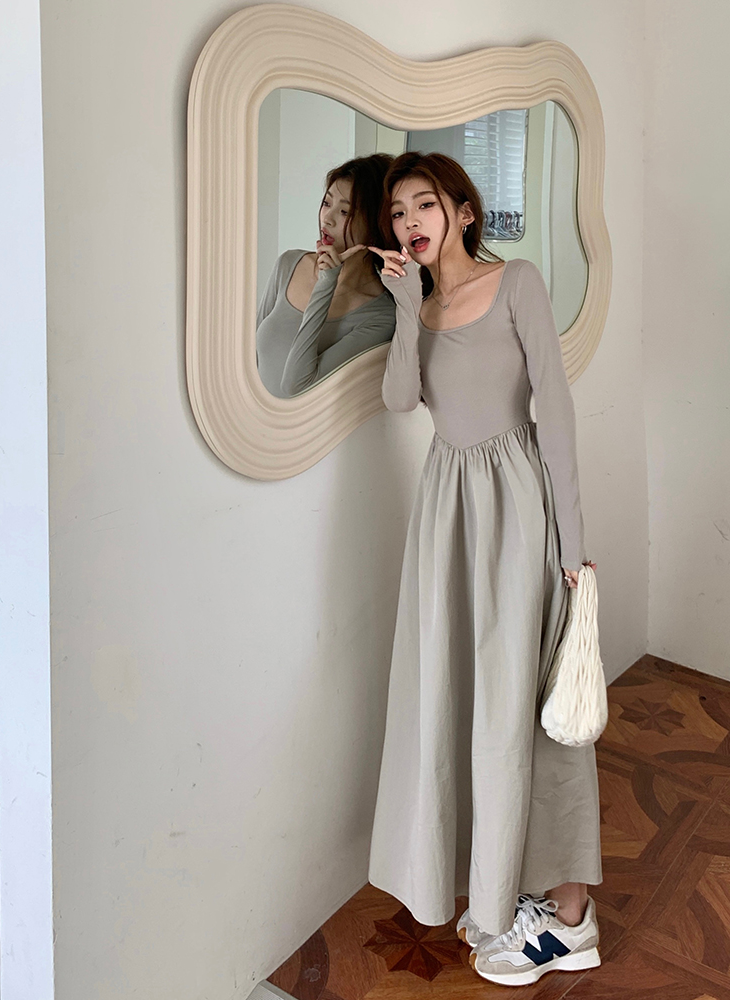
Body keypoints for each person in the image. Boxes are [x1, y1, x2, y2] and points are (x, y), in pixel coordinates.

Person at [366, 151, 604, 987]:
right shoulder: (420, 309)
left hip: (516, 506)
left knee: (528, 712)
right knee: (467, 705)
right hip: (448, 517)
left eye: (424, 205)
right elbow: (401, 401)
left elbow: (555, 411)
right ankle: (504, 889)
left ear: (464, 211)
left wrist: (571, 548)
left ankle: (571, 917)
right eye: (398, 213)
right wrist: (405, 308)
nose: (410, 223)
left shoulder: (518, 283)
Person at [255, 153, 397, 397]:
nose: (327, 219)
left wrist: (326, 283)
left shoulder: (382, 316)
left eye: (345, 212)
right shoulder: (289, 264)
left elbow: (297, 385)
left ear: (375, 226)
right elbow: (250, 359)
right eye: (327, 203)